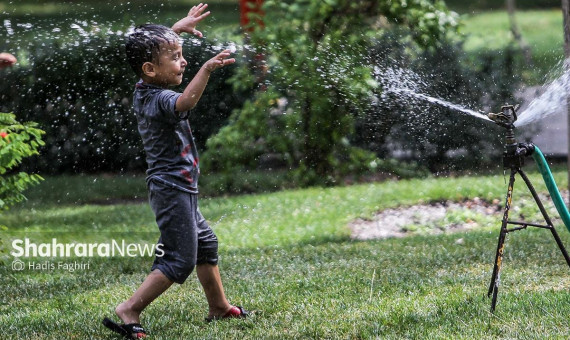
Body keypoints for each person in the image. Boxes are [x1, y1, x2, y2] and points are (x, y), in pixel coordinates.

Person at [103, 3, 246, 339]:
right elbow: (184, 103)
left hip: (179, 185)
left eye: (182, 54)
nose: (183, 61)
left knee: (205, 244)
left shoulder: (145, 85)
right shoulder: (158, 99)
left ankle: (219, 307)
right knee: (179, 259)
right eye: (176, 57)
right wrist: (207, 70)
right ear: (151, 69)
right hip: (172, 188)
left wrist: (176, 29)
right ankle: (130, 309)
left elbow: (156, 53)